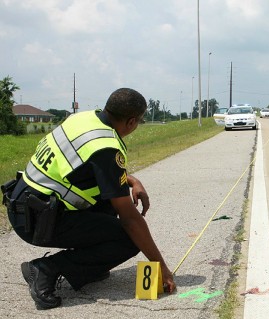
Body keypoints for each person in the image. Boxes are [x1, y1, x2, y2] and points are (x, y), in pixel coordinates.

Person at [2, 88, 176, 309]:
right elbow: (131, 219)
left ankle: (90, 265)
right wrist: (160, 266)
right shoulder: (106, 146)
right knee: (130, 238)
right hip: (36, 220)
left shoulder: (83, 119)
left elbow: (92, 167)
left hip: (23, 203)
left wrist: (131, 180)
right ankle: (46, 269)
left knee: (109, 201)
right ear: (132, 122)